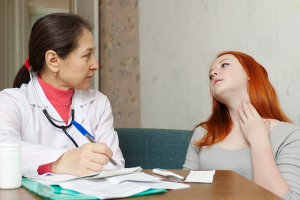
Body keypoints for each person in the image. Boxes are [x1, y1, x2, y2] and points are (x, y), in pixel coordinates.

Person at [0, 13, 124, 177]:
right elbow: (4, 152)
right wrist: (61, 161)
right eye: (87, 55)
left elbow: (114, 164)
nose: (95, 65)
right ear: (53, 60)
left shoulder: (98, 103)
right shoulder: (11, 102)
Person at [183, 51, 300, 199]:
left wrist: (259, 140)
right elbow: (184, 192)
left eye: (224, 64)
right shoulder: (203, 133)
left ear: (249, 73)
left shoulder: (290, 135)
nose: (213, 73)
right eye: (210, 74)